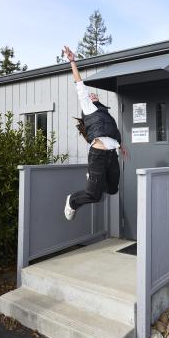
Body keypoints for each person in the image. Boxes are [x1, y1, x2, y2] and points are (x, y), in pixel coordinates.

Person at [63, 46, 127, 220]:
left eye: (94, 94)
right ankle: (73, 201)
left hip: (111, 154)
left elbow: (113, 131)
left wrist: (122, 146)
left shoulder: (105, 113)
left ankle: (94, 178)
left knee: (113, 188)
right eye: (90, 95)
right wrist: (72, 62)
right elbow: (79, 85)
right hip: (98, 154)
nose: (91, 95)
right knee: (94, 196)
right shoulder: (88, 108)